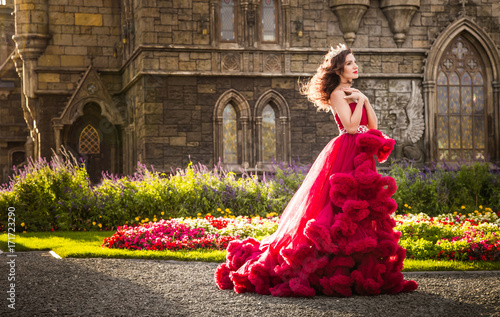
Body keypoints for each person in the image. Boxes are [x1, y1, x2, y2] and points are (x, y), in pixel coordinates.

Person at [215, 44, 418, 297]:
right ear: (339, 69)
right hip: (346, 151)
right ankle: (329, 267)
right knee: (336, 208)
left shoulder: (353, 92)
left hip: (361, 155)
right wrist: (361, 100)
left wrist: (364, 100)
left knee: (361, 209)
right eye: (349, 63)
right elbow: (352, 127)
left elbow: (373, 126)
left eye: (354, 62)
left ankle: (356, 266)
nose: (355, 66)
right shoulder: (336, 93)